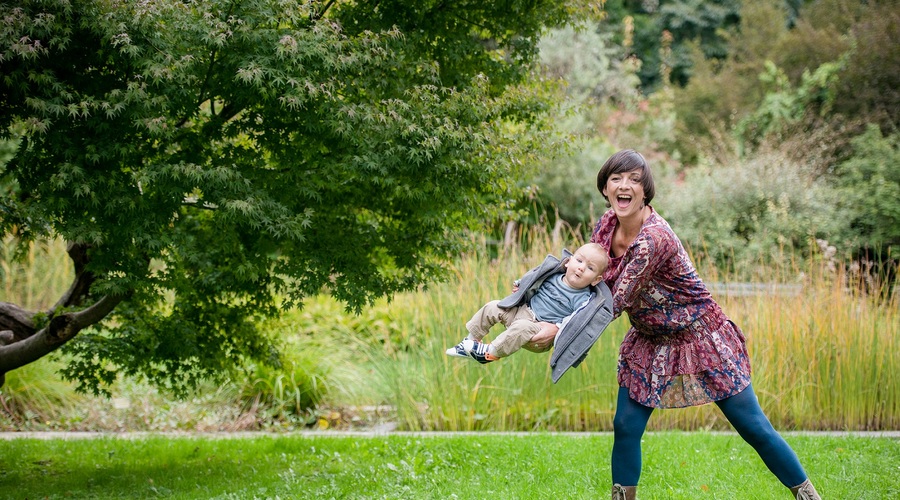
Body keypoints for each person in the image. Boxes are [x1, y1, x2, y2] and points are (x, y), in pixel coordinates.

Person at [527, 150, 821, 499]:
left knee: (753, 426)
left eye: (635, 180)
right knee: (625, 425)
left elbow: (614, 301)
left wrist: (558, 333)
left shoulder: (654, 239)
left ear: (646, 191)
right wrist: (531, 303)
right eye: (617, 179)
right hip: (650, 339)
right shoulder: (606, 225)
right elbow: (589, 282)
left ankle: (809, 496)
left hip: (701, 337)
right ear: (605, 187)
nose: (625, 186)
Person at [446, 243, 609, 365]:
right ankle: (470, 341)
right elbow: (532, 280)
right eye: (579, 260)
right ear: (568, 261)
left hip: (538, 330)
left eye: (590, 268)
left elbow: (576, 322)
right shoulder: (552, 276)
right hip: (522, 312)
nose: (581, 268)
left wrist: (558, 329)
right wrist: (520, 286)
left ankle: (490, 352)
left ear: (596, 280)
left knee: (522, 326)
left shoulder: (583, 298)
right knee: (493, 306)